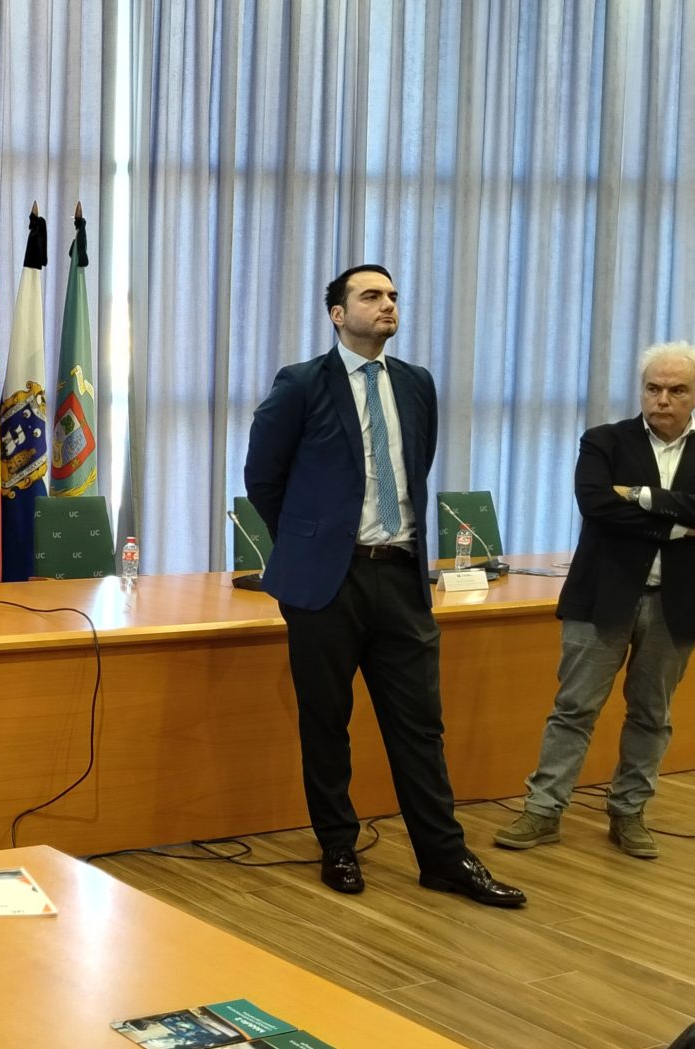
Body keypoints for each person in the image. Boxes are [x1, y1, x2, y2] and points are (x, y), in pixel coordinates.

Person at [243, 263, 525, 907]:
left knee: (420, 725)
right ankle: (338, 846)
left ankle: (444, 857)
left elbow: (416, 467)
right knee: (326, 721)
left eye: (393, 295)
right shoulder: (301, 383)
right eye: (371, 296)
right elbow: (263, 476)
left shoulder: (416, 383)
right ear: (338, 314)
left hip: (401, 575)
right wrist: (312, 542)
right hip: (326, 583)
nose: (387, 304)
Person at [496, 341, 695, 858]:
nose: (663, 400)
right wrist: (676, 526)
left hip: (676, 605)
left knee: (651, 714)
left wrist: (641, 496)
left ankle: (629, 812)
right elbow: (596, 505)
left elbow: (620, 506)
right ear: (641, 391)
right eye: (653, 388)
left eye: (677, 390)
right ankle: (543, 810)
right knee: (574, 708)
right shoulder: (604, 440)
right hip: (601, 598)